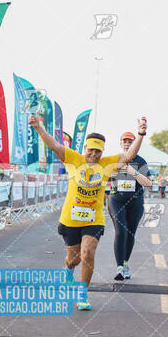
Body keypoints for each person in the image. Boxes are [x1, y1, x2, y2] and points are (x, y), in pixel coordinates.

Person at [29, 112, 148, 310]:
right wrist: (38, 127)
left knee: (87, 252)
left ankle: (83, 295)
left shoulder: (107, 163)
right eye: (91, 150)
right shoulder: (73, 159)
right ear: (85, 148)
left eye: (98, 152)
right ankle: (68, 268)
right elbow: (54, 146)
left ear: (102, 152)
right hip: (70, 218)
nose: (93, 155)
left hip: (94, 219)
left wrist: (141, 134)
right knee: (73, 259)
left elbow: (129, 155)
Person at [108, 131, 152, 280]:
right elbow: (102, 182)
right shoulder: (114, 160)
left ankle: (126, 264)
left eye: (130, 141)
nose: (127, 144)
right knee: (121, 232)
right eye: (124, 141)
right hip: (116, 200)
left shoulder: (141, 161)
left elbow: (149, 183)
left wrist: (134, 173)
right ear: (120, 143)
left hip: (135, 201)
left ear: (135, 144)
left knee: (130, 233)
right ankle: (119, 268)